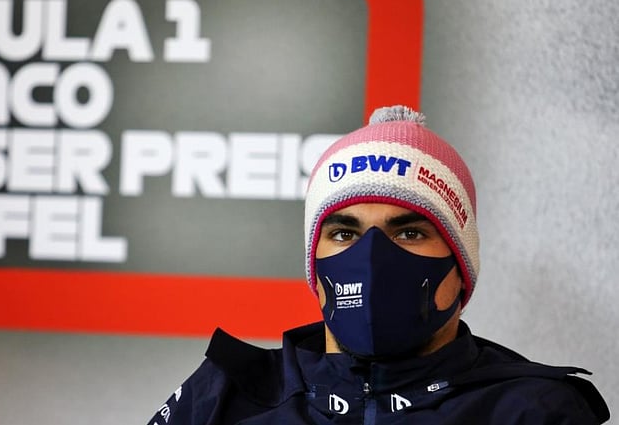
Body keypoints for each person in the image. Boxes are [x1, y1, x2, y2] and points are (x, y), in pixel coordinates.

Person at [147, 106, 610, 424]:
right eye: (344, 234)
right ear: (314, 263)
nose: (370, 259)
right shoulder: (229, 393)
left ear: (462, 264)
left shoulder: (533, 410)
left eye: (410, 232)